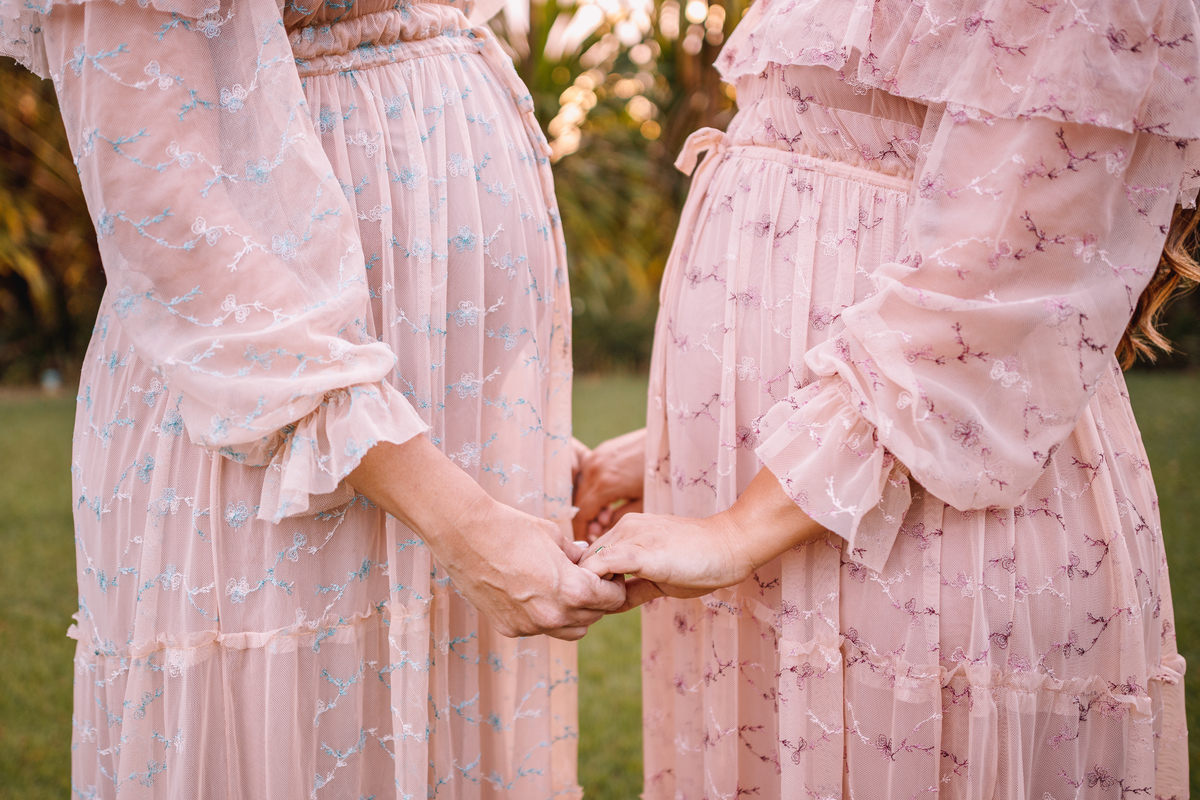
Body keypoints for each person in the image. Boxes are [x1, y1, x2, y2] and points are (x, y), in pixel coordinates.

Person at [0, 0, 625, 794]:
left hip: (433, 445)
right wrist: (464, 521)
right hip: (271, 433)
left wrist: (493, 436)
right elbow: (167, 206)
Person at [575, 1, 1198, 796]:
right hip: (797, 503)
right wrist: (701, 444)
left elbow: (1005, 281)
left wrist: (737, 528)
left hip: (918, 526)